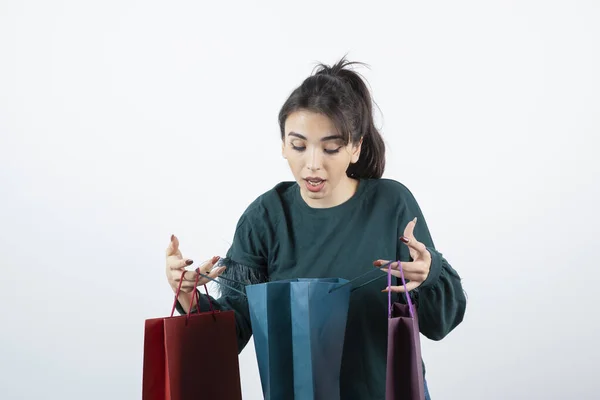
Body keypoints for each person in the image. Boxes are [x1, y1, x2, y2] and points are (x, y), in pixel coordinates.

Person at [165, 57, 466, 400]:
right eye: (298, 145)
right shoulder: (265, 218)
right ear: (282, 145)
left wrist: (429, 274)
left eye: (330, 148)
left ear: (355, 147)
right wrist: (188, 295)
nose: (312, 163)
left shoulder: (391, 204)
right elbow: (231, 334)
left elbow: (441, 323)